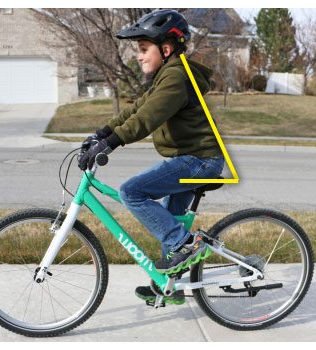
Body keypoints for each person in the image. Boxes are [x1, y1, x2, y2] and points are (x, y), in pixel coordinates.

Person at [78, 9, 224, 305]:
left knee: (131, 191)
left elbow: (148, 118)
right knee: (169, 223)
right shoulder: (167, 76)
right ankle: (170, 286)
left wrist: (112, 143)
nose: (139, 56)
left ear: (166, 48)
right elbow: (136, 109)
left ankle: (188, 244)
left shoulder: (176, 77)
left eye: (144, 49)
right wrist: (102, 133)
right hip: (192, 158)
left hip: (199, 161)